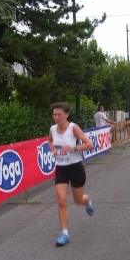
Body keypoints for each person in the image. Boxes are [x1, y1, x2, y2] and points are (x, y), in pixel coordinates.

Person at [48, 102, 95, 247]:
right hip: (61, 168)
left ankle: (87, 202)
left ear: (67, 114)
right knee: (61, 200)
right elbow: (50, 141)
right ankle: (64, 233)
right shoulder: (52, 129)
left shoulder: (73, 128)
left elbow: (89, 144)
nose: (56, 117)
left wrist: (73, 148)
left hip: (75, 167)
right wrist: (53, 150)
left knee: (78, 200)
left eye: (60, 114)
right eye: (54, 114)